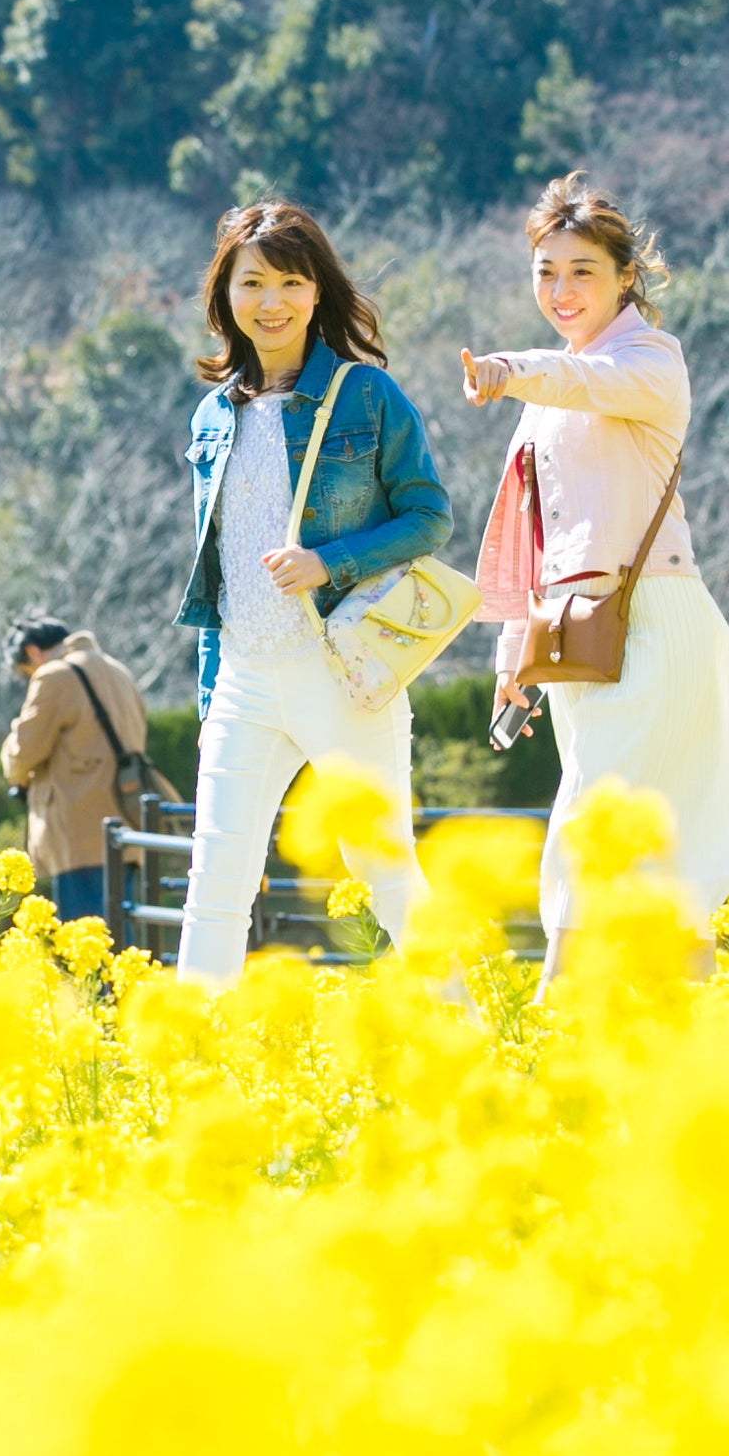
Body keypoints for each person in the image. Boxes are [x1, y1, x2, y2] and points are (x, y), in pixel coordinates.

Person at [463, 176, 729, 976]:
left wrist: (506, 367)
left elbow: (587, 383)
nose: (561, 291)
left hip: (654, 622)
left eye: (582, 271)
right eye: (546, 271)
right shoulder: (545, 387)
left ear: (626, 276)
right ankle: (682, 1040)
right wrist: (510, 661)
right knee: (652, 843)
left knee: (593, 818)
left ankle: (557, 1025)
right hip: (578, 640)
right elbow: (531, 537)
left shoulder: (650, 360)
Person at [170, 199, 450, 987]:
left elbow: (430, 516)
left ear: (317, 292)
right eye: (253, 283)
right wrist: (209, 695)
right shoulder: (212, 415)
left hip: (339, 671)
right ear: (226, 295)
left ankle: (471, 1032)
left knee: (387, 875)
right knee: (213, 888)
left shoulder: (367, 396)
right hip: (244, 678)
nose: (272, 303)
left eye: (291, 282)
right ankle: (186, 1063)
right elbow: (216, 568)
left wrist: (331, 561)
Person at [0, 618, 150, 926]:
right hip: (128, 824)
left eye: (25, 671)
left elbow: (23, 753)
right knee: (122, 938)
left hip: (79, 832)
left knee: (85, 945)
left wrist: (11, 746)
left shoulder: (54, 676)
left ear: (32, 652)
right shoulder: (119, 672)